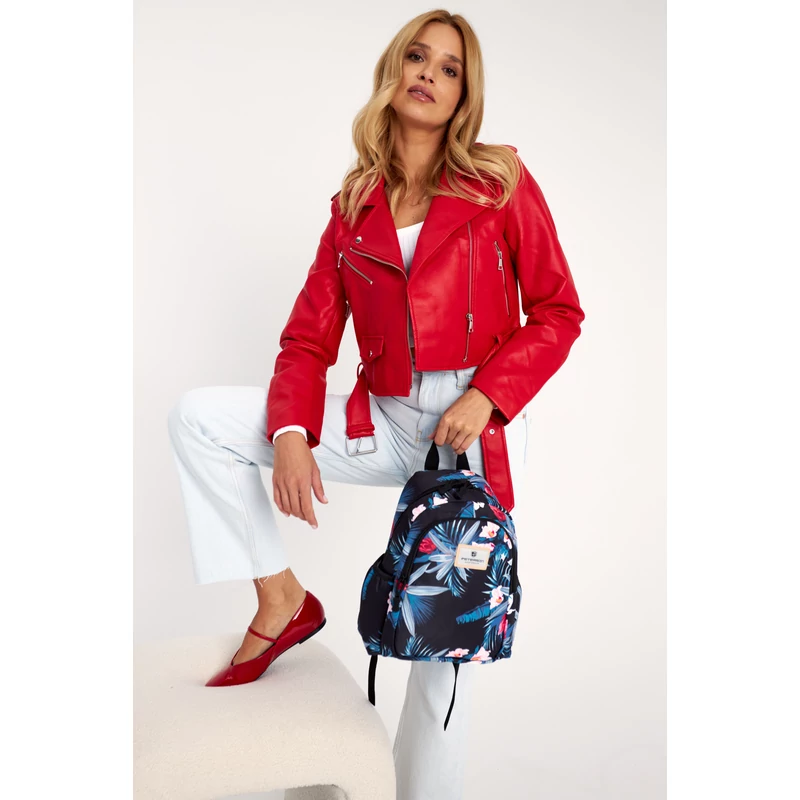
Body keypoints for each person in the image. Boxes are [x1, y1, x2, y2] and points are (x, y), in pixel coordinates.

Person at [167, 9, 584, 799]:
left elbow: (559, 312)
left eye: (450, 68)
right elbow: (307, 340)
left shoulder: (499, 181)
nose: (429, 73)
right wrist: (291, 431)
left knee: (442, 651)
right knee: (197, 419)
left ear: (464, 95)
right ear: (394, 73)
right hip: (384, 423)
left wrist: (489, 395)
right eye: (417, 57)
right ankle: (281, 598)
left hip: (475, 437)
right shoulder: (353, 205)